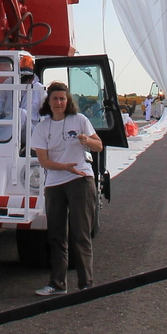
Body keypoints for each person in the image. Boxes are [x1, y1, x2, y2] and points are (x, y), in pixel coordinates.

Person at [29, 82, 103, 296]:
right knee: (56, 235)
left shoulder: (79, 120)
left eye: (62, 98)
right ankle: (57, 284)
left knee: (80, 234)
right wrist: (64, 167)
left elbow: (99, 145)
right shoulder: (42, 127)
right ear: (49, 102)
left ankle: (86, 284)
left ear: (68, 101)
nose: (59, 102)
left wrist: (86, 140)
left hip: (80, 180)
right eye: (55, 98)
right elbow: (43, 161)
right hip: (54, 184)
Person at [0, 54, 44, 142]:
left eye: (25, 78)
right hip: (9, 124)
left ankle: (0, 143)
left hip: (30, 130)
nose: (22, 81)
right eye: (21, 77)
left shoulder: (40, 90)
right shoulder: (8, 83)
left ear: (32, 77)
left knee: (21, 113)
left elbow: (46, 115)